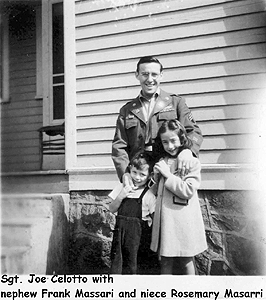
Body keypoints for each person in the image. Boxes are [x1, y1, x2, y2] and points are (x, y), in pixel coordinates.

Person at [112, 56, 203, 188]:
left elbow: (194, 132)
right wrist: (124, 173)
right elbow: (119, 146)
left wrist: (188, 151)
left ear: (161, 76)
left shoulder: (176, 103)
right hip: (138, 175)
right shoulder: (127, 110)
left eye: (154, 74)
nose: (150, 79)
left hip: (168, 171)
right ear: (137, 75)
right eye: (144, 74)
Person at [150, 119, 207, 275]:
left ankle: (192, 292)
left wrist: (168, 175)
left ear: (182, 139)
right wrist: (156, 177)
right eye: (165, 142)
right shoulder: (163, 162)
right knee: (165, 260)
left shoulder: (191, 162)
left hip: (183, 222)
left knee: (186, 260)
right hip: (166, 222)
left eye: (173, 140)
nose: (170, 146)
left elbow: (188, 190)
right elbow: (157, 191)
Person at [108, 151, 159, 274]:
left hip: (138, 242)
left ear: (149, 175)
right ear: (129, 169)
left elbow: (156, 220)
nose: (137, 177)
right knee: (118, 268)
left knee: (135, 268)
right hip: (120, 239)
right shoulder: (121, 188)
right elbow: (112, 209)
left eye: (142, 174)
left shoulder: (149, 195)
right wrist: (121, 196)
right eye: (134, 172)